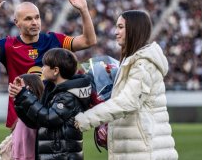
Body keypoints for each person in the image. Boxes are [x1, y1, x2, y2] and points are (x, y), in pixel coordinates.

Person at [0, 0, 97, 129]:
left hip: (52, 114)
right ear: (17, 22)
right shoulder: (9, 45)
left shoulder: (54, 40)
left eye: (37, 17)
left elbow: (88, 41)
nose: (34, 22)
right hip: (21, 118)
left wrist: (84, 10)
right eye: (28, 19)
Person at [74, 10, 178, 159]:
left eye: (121, 27)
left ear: (134, 29)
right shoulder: (133, 61)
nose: (116, 32)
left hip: (146, 152)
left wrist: (85, 119)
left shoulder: (144, 64)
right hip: (137, 149)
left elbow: (127, 102)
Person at [9, 48, 96, 159]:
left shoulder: (67, 96)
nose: (42, 68)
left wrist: (25, 95)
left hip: (63, 156)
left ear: (55, 70)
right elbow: (35, 122)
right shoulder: (52, 91)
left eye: (45, 65)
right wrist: (20, 98)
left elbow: (49, 118)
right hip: (55, 155)